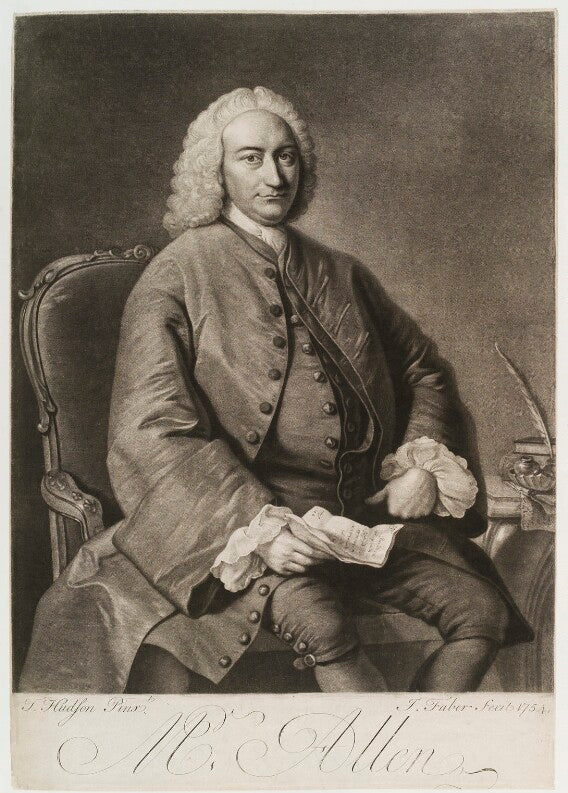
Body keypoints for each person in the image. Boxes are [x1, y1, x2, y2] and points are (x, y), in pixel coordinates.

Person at [19, 86, 532, 694]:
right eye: (251, 157)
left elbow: (423, 370)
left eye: (286, 156)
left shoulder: (340, 271)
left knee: (483, 613)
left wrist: (420, 462)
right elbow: (152, 431)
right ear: (215, 171)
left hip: (357, 523)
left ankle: (417, 748)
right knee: (323, 625)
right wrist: (262, 528)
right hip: (238, 529)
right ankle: (378, 749)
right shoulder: (179, 272)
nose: (274, 176)